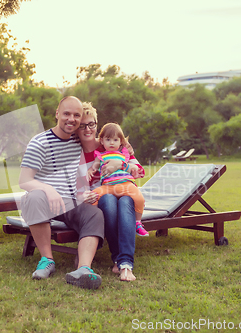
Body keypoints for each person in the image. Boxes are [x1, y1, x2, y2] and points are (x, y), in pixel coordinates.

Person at [18, 96, 104, 290]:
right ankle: (47, 260)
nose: (71, 119)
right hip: (43, 200)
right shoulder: (40, 143)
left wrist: (126, 150)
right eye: (66, 113)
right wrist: (48, 188)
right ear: (57, 114)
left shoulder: (77, 139)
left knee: (95, 214)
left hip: (70, 201)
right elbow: (24, 181)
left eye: (76, 115)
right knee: (34, 196)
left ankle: (83, 269)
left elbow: (99, 143)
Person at [77, 102, 145, 282]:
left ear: (96, 125)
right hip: (98, 198)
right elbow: (72, 187)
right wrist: (83, 196)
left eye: (91, 124)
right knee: (108, 200)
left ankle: (125, 264)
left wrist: (121, 164)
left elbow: (139, 170)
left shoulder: (114, 143)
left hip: (124, 190)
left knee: (124, 202)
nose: (87, 129)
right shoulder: (73, 152)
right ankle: (118, 257)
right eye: (82, 125)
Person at [86, 123, 148, 237]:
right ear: (102, 141)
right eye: (108, 139)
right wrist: (90, 170)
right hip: (108, 186)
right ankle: (95, 221)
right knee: (93, 196)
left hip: (125, 184)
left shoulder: (124, 154)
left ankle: (138, 223)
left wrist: (129, 167)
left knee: (139, 198)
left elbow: (138, 170)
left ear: (120, 142)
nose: (112, 143)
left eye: (115, 140)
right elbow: (94, 166)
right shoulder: (100, 156)